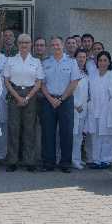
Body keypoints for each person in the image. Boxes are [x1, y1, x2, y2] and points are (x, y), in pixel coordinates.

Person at [40, 36, 81, 173]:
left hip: (66, 100)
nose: (55, 47)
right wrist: (51, 99)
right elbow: (42, 83)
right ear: (50, 47)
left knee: (66, 133)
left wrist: (62, 99)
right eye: (53, 45)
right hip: (48, 100)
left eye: (58, 44)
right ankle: (48, 163)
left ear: (62, 45)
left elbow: (74, 82)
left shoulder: (71, 62)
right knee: (47, 133)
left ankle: (65, 163)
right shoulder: (45, 63)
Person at [3, 33, 44, 172]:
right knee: (13, 128)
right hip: (14, 94)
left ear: (30, 44)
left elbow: (39, 82)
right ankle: (12, 160)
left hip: (30, 95)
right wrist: (18, 97)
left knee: (29, 129)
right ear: (18, 44)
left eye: (26, 42)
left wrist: (27, 98)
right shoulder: (10, 60)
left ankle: (29, 161)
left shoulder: (36, 62)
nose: (24, 45)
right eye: (21, 42)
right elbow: (6, 81)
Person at [85, 51, 112, 169]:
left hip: (107, 109)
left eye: (105, 60)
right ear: (97, 62)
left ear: (109, 62)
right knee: (95, 135)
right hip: (94, 109)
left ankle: (106, 160)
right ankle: (96, 160)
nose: (102, 63)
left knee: (107, 136)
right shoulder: (92, 74)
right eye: (100, 60)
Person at [71, 49, 90, 170]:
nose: (82, 59)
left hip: (83, 109)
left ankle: (77, 158)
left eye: (84, 57)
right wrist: (75, 105)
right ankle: (72, 159)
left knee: (79, 136)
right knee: (73, 135)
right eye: (79, 57)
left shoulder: (85, 74)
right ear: (75, 58)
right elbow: (68, 91)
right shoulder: (72, 73)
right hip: (73, 108)